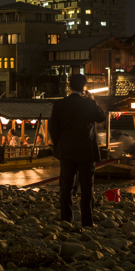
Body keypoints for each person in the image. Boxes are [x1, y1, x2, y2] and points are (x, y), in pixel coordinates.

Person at [48, 74, 106, 227]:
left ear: (69, 86)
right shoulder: (89, 104)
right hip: (86, 150)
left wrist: (59, 145)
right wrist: (93, 99)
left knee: (66, 187)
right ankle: (87, 221)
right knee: (87, 187)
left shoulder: (59, 104)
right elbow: (101, 117)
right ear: (84, 87)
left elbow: (53, 128)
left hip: (66, 150)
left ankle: (66, 219)